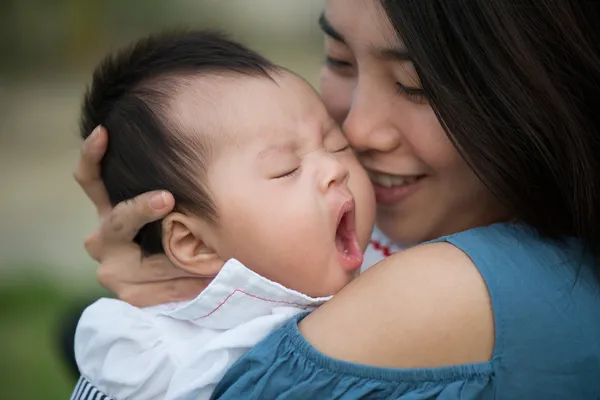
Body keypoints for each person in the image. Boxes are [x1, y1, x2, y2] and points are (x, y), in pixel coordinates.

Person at [71, 0, 600, 398]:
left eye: (414, 84)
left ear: (537, 84)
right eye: (340, 60)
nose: (356, 133)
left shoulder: (454, 290)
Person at [72, 30, 375, 400]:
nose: (334, 167)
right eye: (286, 169)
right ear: (195, 243)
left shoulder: (403, 267)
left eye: (336, 144)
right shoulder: (157, 359)